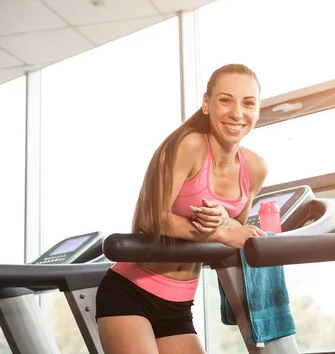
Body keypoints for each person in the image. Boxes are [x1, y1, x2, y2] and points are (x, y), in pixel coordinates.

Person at [96, 64, 268, 354]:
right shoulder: (190, 146)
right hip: (129, 292)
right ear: (206, 103)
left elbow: (237, 228)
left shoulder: (255, 168)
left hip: (179, 304)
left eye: (248, 103)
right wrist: (221, 234)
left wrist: (226, 221)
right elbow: (150, 219)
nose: (237, 113)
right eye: (226, 100)